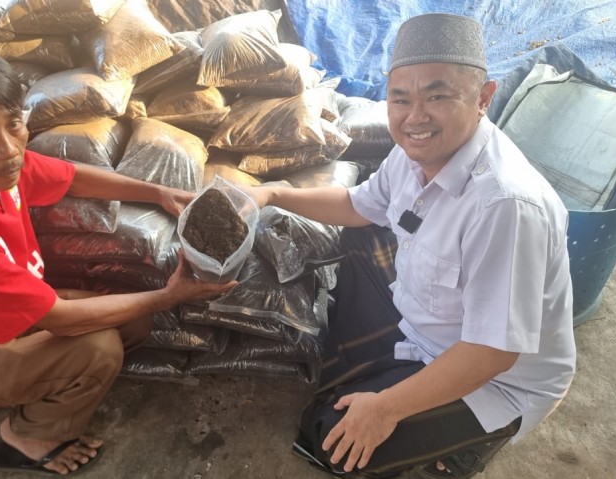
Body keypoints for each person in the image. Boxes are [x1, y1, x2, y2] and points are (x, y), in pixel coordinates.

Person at [244, 13, 576, 479]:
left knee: (331, 439)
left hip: (494, 378)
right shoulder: (411, 153)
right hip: (426, 322)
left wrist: (384, 409)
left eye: (437, 96)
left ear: (483, 98)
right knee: (359, 234)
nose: (415, 117)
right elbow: (357, 205)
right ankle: (382, 373)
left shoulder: (506, 206)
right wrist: (272, 193)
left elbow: (492, 353)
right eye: (400, 99)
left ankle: (472, 440)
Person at [0, 46, 235, 476]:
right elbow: (62, 321)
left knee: (131, 320)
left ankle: (43, 385)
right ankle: (25, 438)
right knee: (97, 348)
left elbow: (70, 178)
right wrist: (170, 296)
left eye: (13, 123)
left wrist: (158, 192)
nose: (9, 149)